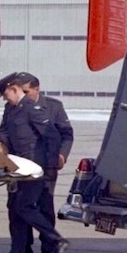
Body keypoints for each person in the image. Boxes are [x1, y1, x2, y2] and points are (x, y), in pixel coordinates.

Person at [0, 73, 68, 253]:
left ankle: (55, 240)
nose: (4, 98)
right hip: (18, 168)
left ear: (15, 89)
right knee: (15, 208)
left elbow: (53, 136)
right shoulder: (11, 109)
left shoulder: (31, 109)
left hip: (35, 168)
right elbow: (4, 132)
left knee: (26, 206)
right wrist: (2, 148)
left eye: (6, 94)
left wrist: (51, 164)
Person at [20, 73, 75, 241]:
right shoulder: (15, 106)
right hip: (23, 165)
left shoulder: (53, 107)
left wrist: (62, 156)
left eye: (26, 91)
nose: (23, 95)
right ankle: (22, 248)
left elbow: (66, 134)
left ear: (37, 90)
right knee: (19, 207)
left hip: (47, 165)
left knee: (45, 206)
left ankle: (49, 248)